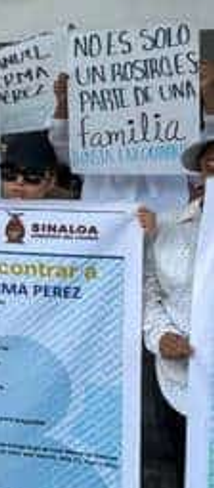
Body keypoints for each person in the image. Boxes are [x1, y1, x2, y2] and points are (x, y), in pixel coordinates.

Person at [48, 61, 214, 212]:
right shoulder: (93, 140)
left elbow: (207, 159)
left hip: (167, 231)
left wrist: (209, 96)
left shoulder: (178, 137)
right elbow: (64, 149)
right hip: (103, 232)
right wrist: (63, 103)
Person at [143, 127, 214, 478]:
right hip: (179, 376)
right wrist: (161, 336)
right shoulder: (168, 225)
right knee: (185, 467)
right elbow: (150, 292)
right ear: (202, 168)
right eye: (211, 160)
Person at [0, 132, 62, 201]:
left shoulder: (70, 207)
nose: (19, 181)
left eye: (31, 175)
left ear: (51, 182)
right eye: (9, 173)